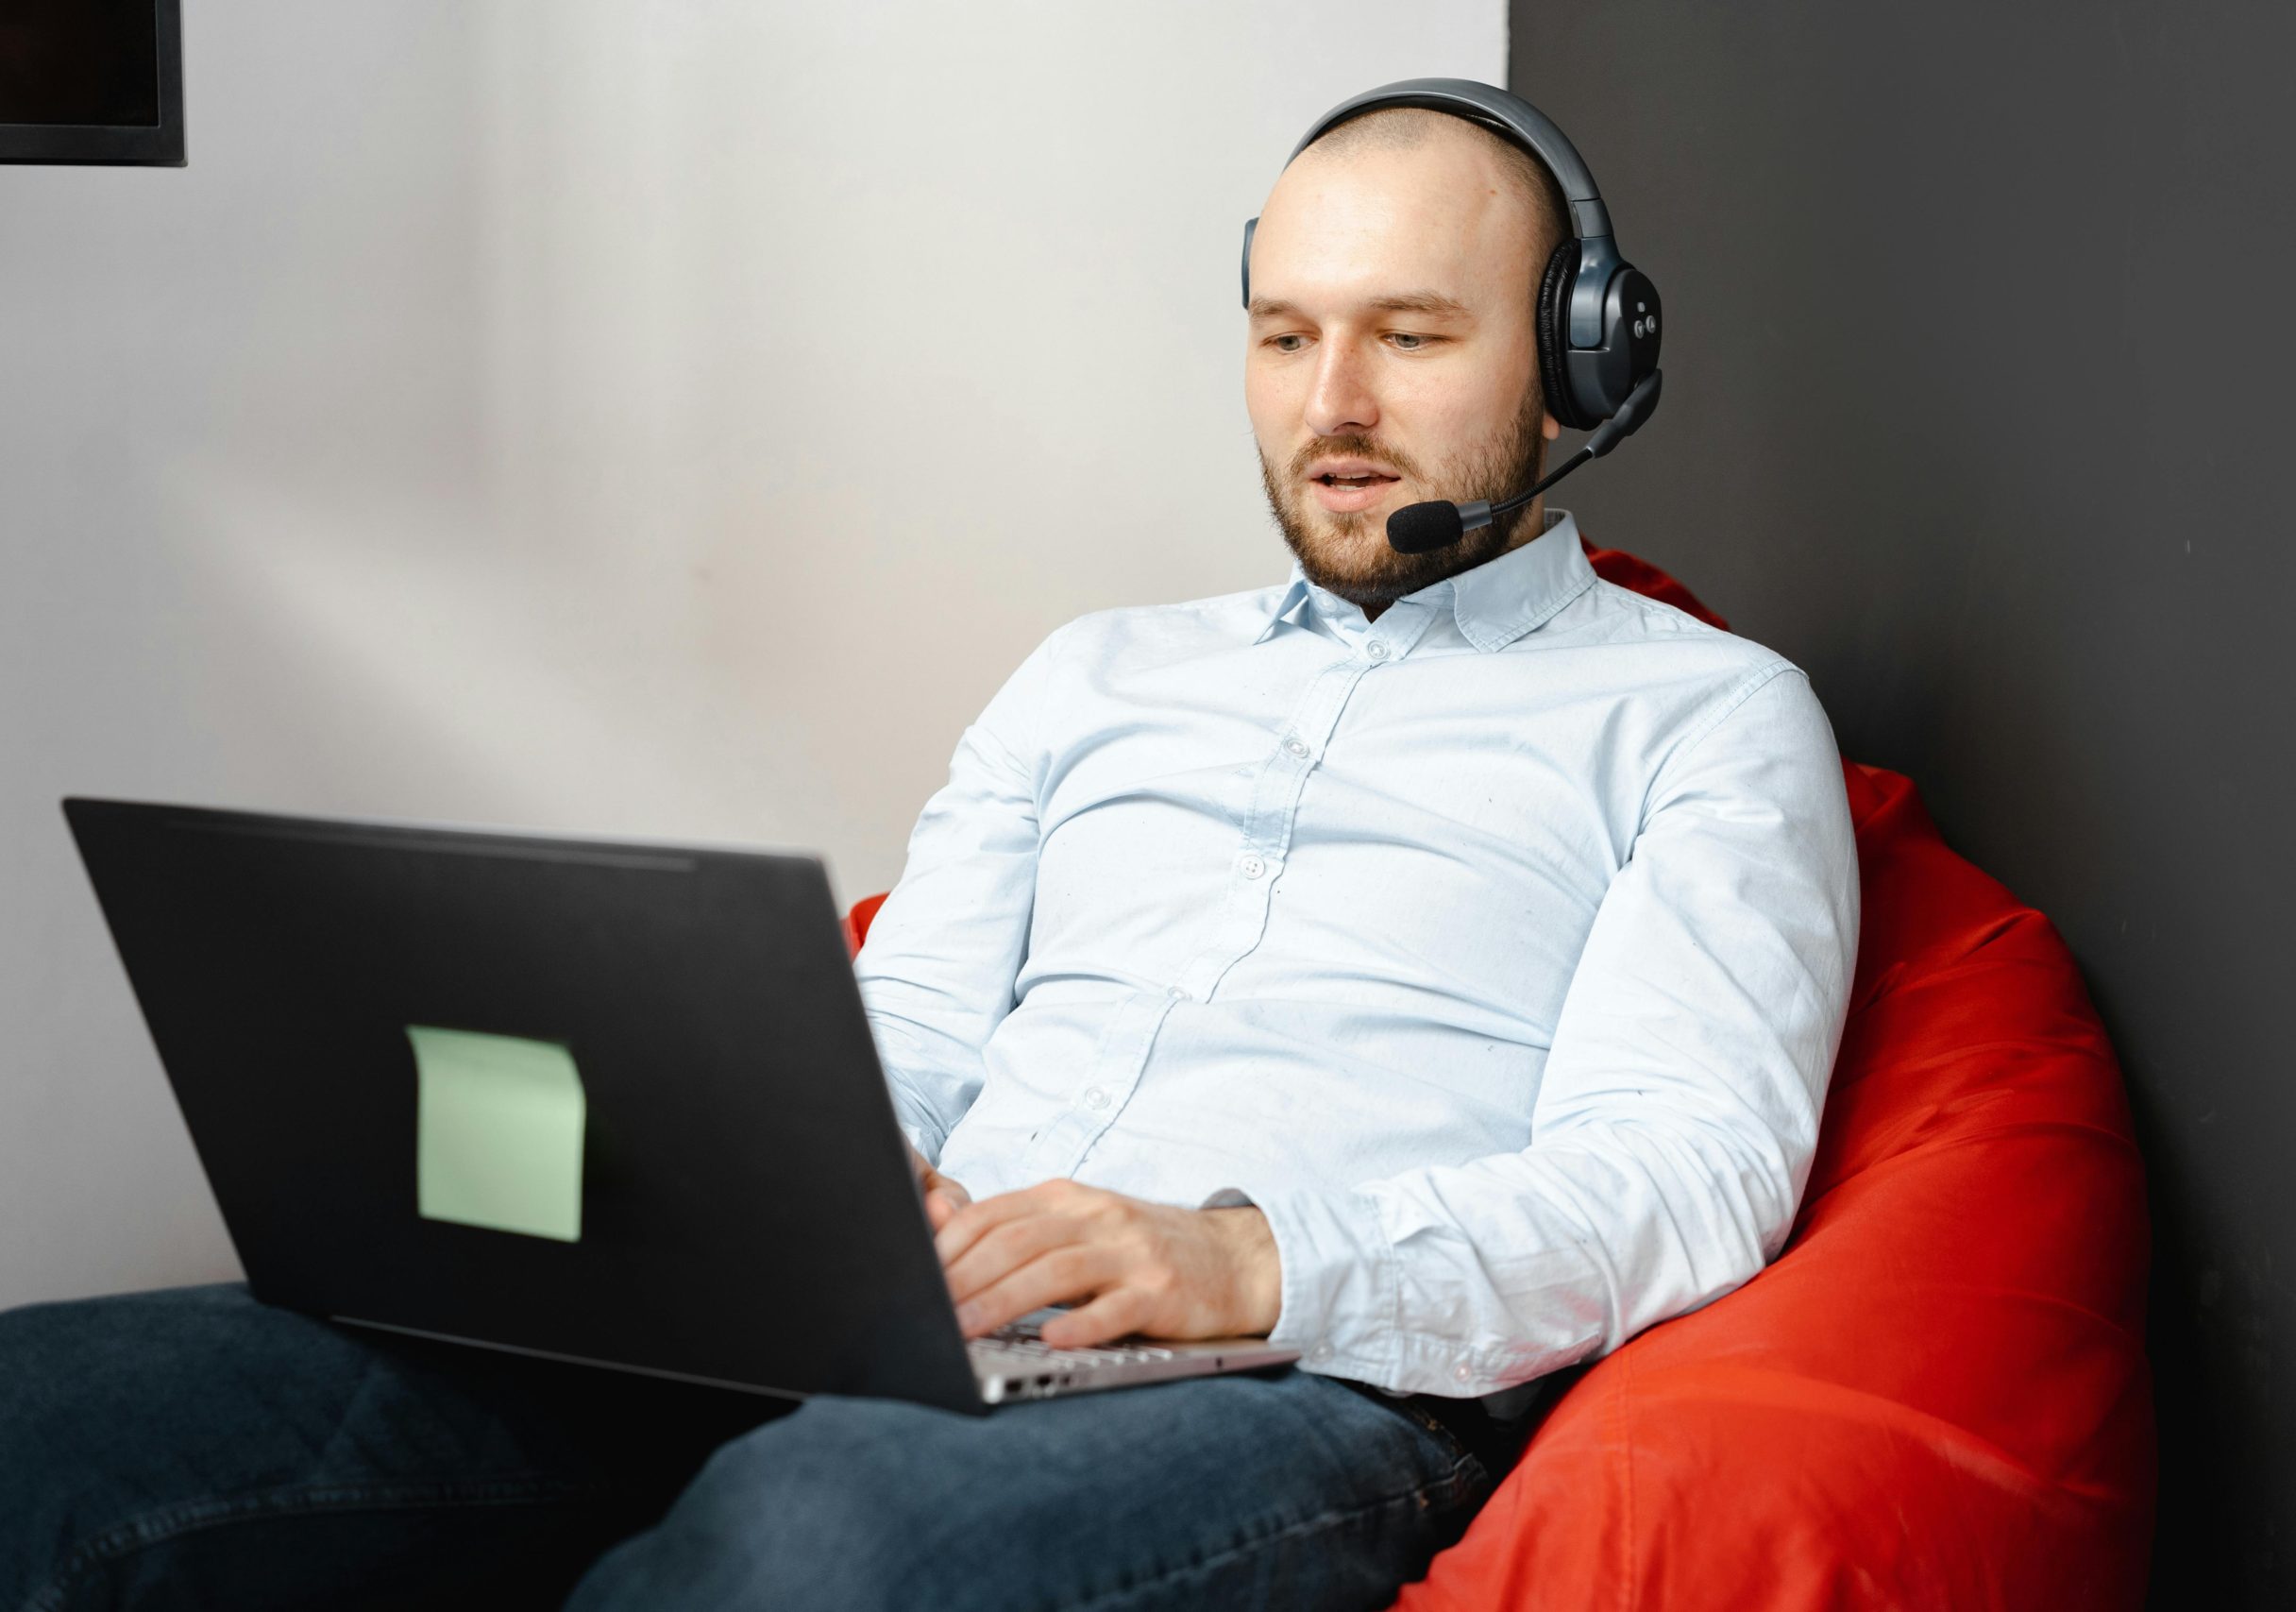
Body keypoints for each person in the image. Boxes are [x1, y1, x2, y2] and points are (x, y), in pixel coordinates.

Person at [0, 92, 1858, 1612]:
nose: (1328, 407)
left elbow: (1680, 1169)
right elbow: (913, 1029)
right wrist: (816, 1173)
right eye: (1284, 334)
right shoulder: (1095, 672)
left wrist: (1240, 1256)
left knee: (818, 1540)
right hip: (901, 1314)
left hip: (1293, 1379)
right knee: (63, 1417)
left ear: (1576, 366)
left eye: (1408, 335)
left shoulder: (1699, 715)